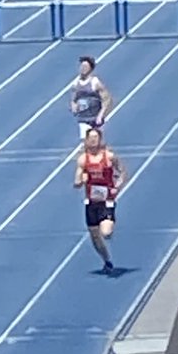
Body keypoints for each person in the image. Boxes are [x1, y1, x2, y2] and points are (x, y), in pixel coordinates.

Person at [73, 126, 126, 273]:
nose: (93, 140)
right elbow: (76, 183)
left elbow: (122, 172)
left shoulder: (109, 157)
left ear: (100, 139)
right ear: (87, 140)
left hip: (107, 200)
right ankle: (107, 261)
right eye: (91, 138)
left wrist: (117, 186)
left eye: (96, 138)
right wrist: (80, 180)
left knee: (106, 233)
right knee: (95, 237)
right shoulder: (83, 160)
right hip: (91, 203)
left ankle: (109, 230)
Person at [70, 56, 112, 140]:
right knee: (84, 142)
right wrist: (74, 107)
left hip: (95, 119)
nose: (82, 69)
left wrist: (101, 115)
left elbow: (106, 99)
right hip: (83, 118)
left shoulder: (95, 82)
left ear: (90, 69)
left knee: (97, 143)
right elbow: (73, 99)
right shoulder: (76, 83)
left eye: (85, 67)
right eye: (81, 66)